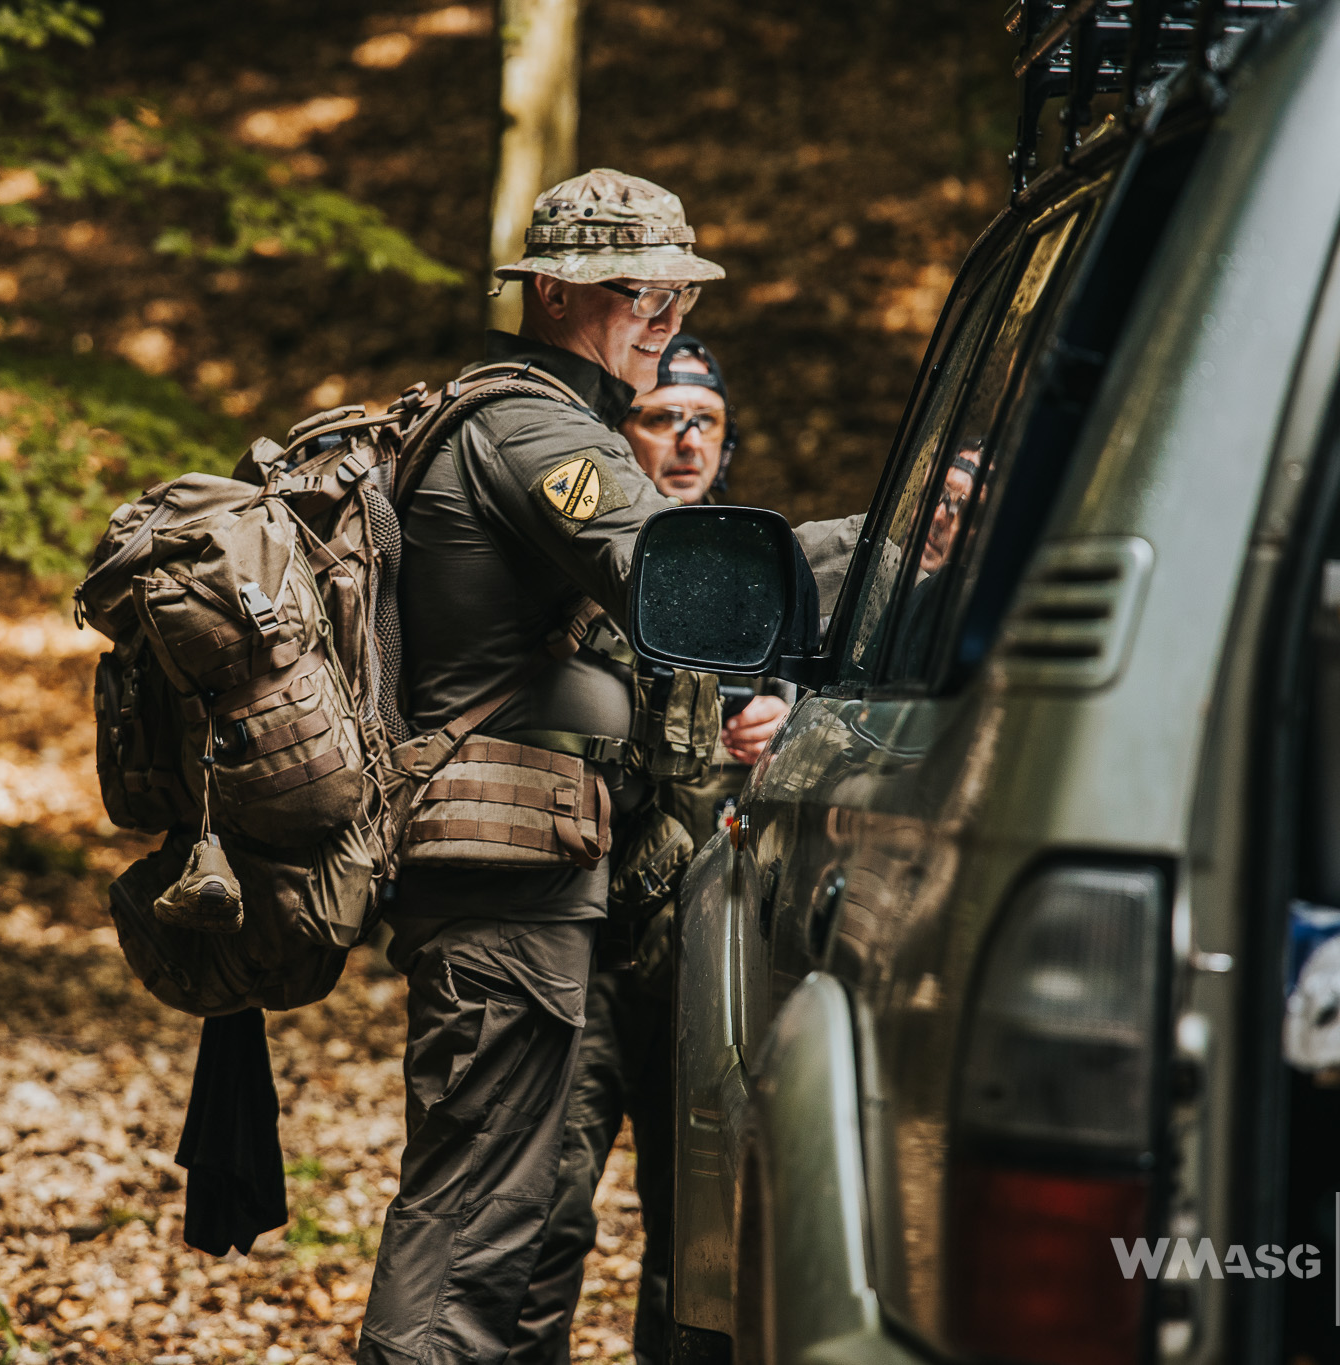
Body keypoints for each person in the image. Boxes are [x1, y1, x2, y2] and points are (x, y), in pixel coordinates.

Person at [355, 169, 727, 1365]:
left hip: (522, 873)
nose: (664, 325)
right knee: (474, 1220)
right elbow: (670, 580)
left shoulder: (516, 415)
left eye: (678, 298)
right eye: (643, 296)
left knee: (496, 1214)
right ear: (556, 291)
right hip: (502, 879)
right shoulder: (534, 429)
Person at [509, 334, 784, 1365]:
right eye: (658, 417)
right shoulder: (568, 565)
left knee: (699, 1250)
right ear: (620, 435)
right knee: (540, 1227)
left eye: (700, 421)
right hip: (573, 944)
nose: (681, 441)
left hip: (703, 966)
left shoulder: (754, 581)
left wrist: (780, 724)